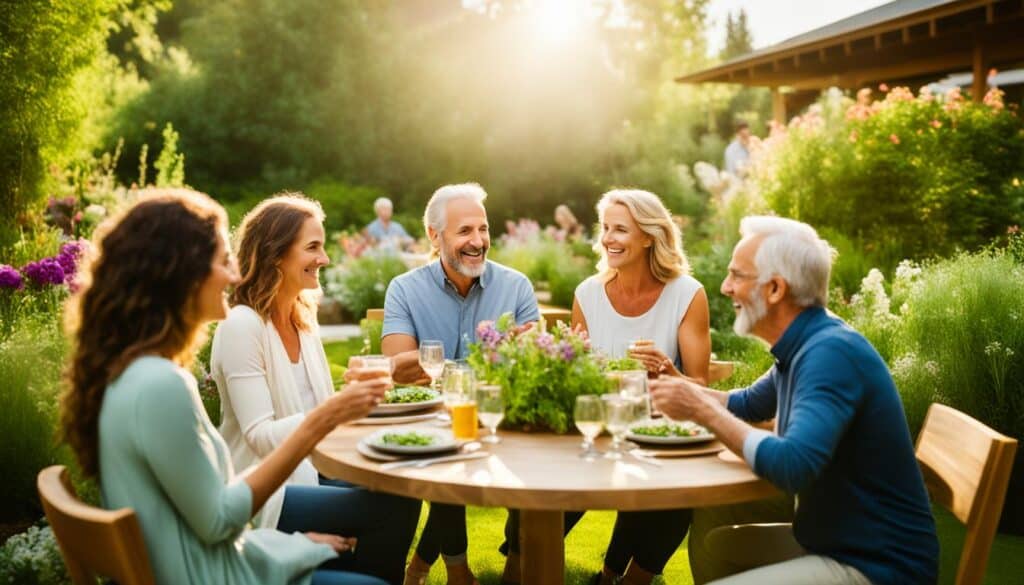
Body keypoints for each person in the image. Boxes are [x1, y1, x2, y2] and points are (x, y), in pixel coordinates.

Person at [60, 188, 395, 585]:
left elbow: (208, 522)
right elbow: (219, 521)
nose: (235, 274)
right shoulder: (158, 386)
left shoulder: (136, 374)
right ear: (180, 273)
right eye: (223, 261)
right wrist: (321, 420)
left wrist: (295, 545)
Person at [649, 216, 939, 585]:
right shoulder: (805, 342)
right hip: (834, 540)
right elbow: (746, 404)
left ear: (774, 289)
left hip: (878, 565)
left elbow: (793, 465)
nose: (725, 287)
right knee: (715, 536)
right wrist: (676, 389)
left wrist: (700, 409)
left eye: (737, 275)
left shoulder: (829, 354)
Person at [211, 193, 421, 584]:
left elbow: (321, 406)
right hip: (266, 491)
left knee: (403, 489)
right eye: (312, 247)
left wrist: (369, 383)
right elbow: (259, 436)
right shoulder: (243, 326)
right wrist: (337, 408)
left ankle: (350, 572)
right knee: (392, 506)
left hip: (312, 471)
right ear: (275, 254)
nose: (324, 258)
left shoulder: (302, 317)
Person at [504, 189, 711, 585]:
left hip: (655, 435)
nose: (608, 239)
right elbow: (574, 373)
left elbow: (699, 385)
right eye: (605, 229)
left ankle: (627, 579)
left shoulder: (687, 294)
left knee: (678, 492)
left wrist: (668, 371)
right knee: (537, 490)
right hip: (594, 431)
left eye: (621, 230)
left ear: (649, 236)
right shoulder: (588, 293)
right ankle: (520, 569)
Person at [381, 183, 539, 585]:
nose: (478, 241)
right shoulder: (405, 289)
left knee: (532, 453)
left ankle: (507, 564)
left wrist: (438, 367)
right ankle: (457, 570)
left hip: (503, 418)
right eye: (465, 231)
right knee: (448, 443)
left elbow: (533, 363)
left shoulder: (516, 286)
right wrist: (486, 365)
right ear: (435, 237)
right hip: (432, 418)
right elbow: (397, 367)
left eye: (483, 229)